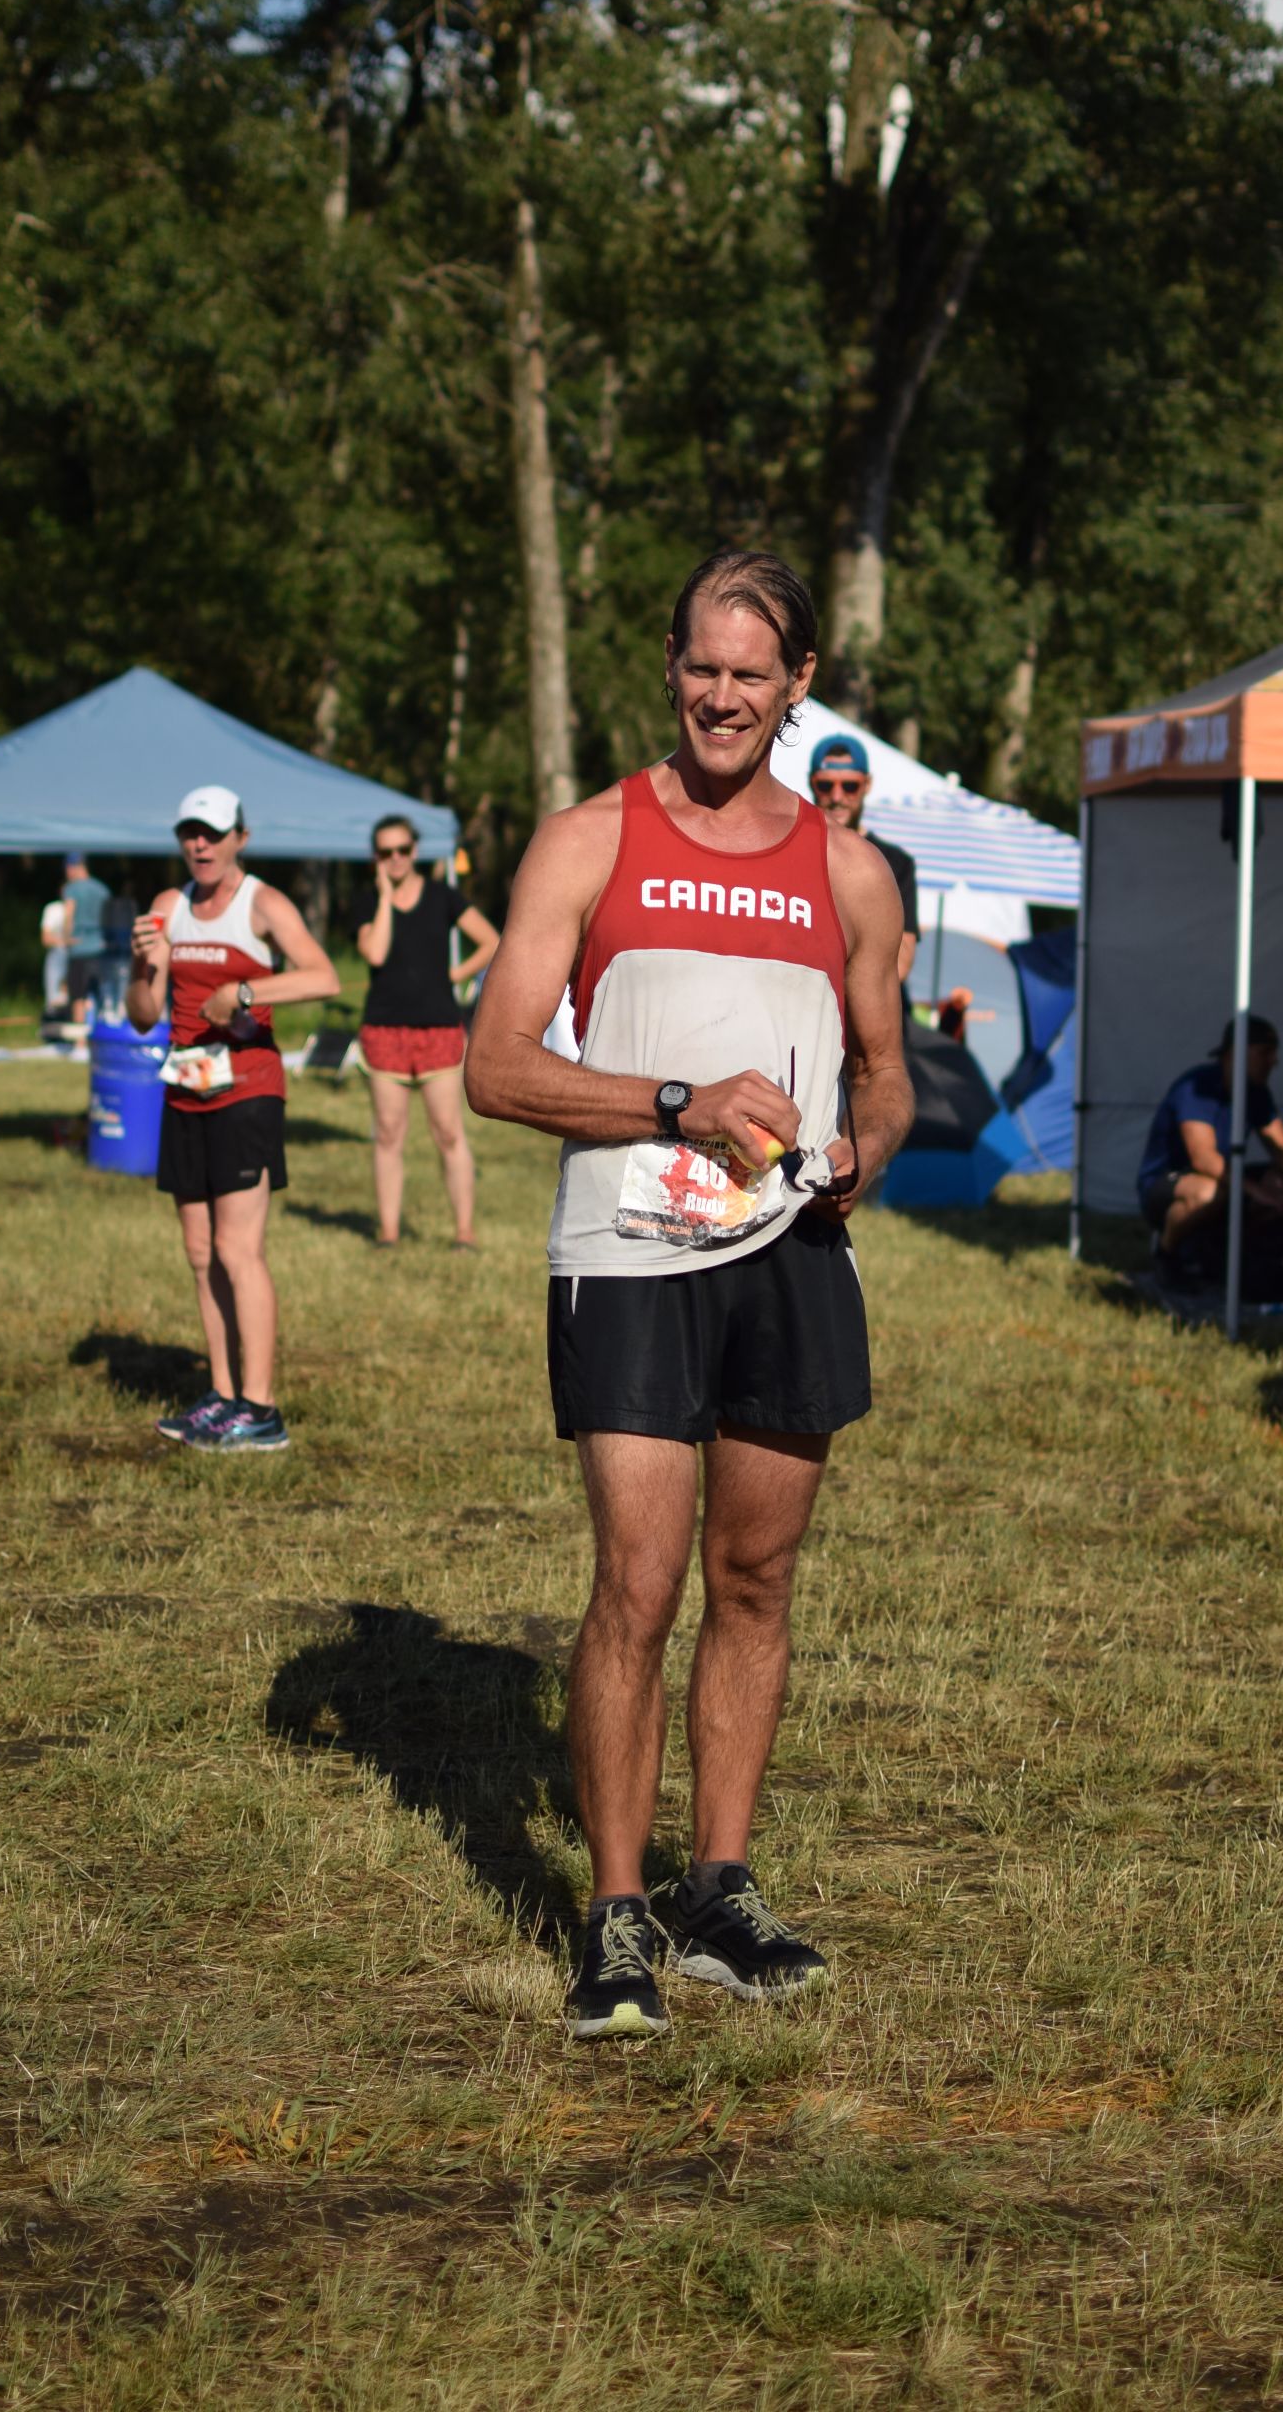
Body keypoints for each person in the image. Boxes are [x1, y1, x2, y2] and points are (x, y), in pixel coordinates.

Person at [466, 549, 913, 2039]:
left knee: (757, 1580)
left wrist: (865, 1151)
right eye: (701, 668)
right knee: (638, 1585)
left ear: (798, 686)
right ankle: (615, 1914)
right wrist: (675, 1101)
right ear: (670, 666)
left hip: (789, 1253)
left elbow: (887, 1074)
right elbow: (495, 1066)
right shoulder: (588, 839)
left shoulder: (850, 871)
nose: (723, 697)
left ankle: (718, 1886)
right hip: (630, 1251)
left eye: (751, 674)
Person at [125, 785, 341, 1452]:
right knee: (199, 1253)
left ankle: (261, 1409)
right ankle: (222, 1396)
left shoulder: (262, 903)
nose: (201, 844)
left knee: (237, 1249)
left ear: (239, 839)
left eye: (213, 833)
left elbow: (324, 977)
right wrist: (140, 965)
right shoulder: (169, 907)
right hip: (185, 1088)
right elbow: (142, 1015)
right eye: (190, 833)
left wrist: (243, 992)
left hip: (248, 1090)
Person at [357, 818, 500, 1249]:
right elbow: (375, 952)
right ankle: (388, 1233)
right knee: (388, 1134)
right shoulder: (369, 901)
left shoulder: (442, 896)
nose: (395, 859)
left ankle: (464, 1233)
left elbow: (490, 941)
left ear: (414, 851)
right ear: (376, 858)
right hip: (385, 1031)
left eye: (402, 849)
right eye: (386, 852)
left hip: (439, 1029)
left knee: (449, 1133)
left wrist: (455, 975)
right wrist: (385, 898)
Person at [1136, 1016, 1283, 1261]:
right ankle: (1165, 1256)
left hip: (1222, 1178)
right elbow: (1204, 1159)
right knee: (1209, 1193)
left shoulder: (1257, 1093)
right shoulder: (1197, 1087)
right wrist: (1257, 1192)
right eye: (1265, 1052)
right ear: (1235, 1053)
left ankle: (1225, 1256)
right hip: (1168, 1181)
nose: (1274, 1061)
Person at [806, 732, 918, 985]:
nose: (837, 797)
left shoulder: (895, 863)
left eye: (849, 786)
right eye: (826, 785)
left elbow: (901, 962)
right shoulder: (794, 853)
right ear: (812, 783)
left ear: (866, 785)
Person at [61, 850, 113, 1025]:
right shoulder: (102, 889)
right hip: (100, 948)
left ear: (73, 867)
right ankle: (98, 1033)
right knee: (99, 994)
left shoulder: (72, 889)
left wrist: (66, 938)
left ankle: (80, 1038)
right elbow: (109, 918)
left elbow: (69, 914)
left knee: (78, 996)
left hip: (79, 948)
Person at [38, 890, 69, 1024]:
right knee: (54, 999)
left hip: (77, 956)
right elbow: (45, 938)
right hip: (58, 953)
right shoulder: (53, 909)